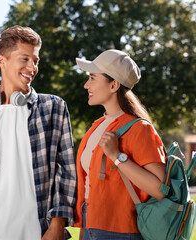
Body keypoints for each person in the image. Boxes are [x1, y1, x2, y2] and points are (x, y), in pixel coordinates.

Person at [0, 25, 76, 240]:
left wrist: (58, 224)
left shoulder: (53, 107)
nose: (32, 67)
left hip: (39, 232)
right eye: (25, 59)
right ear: (2, 60)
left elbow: (66, 170)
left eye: (36, 61)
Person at [72, 49, 167, 239]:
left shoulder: (140, 128)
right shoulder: (97, 126)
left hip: (121, 231)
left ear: (114, 85)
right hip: (91, 226)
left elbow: (160, 190)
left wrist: (117, 156)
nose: (86, 85)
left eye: (92, 78)